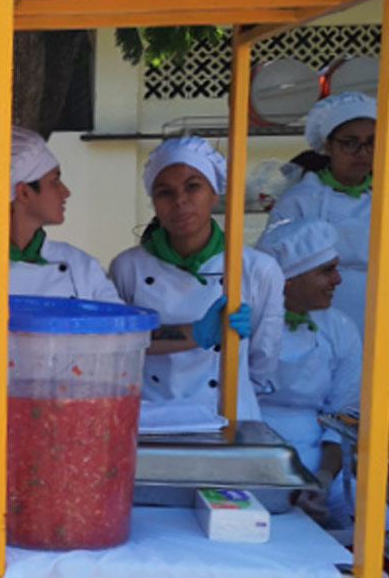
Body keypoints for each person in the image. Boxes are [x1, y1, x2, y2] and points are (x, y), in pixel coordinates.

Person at [0, 127, 122, 468]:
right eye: (54, 180)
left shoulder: (79, 265)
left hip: (69, 438)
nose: (66, 191)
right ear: (23, 192)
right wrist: (16, 432)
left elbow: (120, 344)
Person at [109, 136, 282, 420]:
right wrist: (198, 333)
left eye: (193, 186)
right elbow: (118, 347)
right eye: (165, 192)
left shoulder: (257, 269)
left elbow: (263, 362)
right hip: (151, 418)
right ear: (153, 201)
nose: (180, 201)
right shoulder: (128, 268)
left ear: (215, 192)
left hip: (228, 416)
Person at [254, 218, 361, 525]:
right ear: (288, 280)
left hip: (321, 464)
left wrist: (323, 480)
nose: (338, 279)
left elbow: (345, 416)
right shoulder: (247, 326)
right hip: (252, 462)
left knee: (378, 524)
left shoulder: (340, 328)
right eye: (325, 270)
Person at [264, 91, 376, 338]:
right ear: (328, 145)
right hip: (316, 327)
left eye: (372, 142)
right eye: (350, 142)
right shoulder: (299, 201)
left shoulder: (383, 198)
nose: (363, 152)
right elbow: (272, 271)